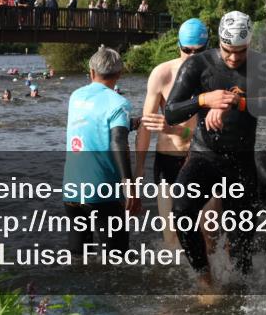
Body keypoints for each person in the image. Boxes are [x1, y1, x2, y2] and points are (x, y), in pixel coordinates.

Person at [164, 11, 266, 294]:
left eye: (241, 51)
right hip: (203, 155)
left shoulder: (265, 65)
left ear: (250, 43)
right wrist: (204, 100)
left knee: (241, 242)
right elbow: (170, 112)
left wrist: (238, 102)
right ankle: (205, 280)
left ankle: (239, 292)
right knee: (182, 211)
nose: (233, 58)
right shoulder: (199, 65)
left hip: (241, 160)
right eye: (228, 51)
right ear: (219, 43)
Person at [134, 18, 210, 249]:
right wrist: (137, 174)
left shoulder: (216, 76)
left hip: (203, 159)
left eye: (198, 51)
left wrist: (181, 131)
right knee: (172, 238)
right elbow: (146, 126)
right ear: (178, 46)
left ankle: (212, 284)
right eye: (187, 50)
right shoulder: (162, 73)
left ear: (208, 47)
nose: (192, 56)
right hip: (169, 160)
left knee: (208, 235)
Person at [63, 46, 141, 258]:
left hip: (72, 191)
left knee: (79, 258)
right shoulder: (119, 103)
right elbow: (118, 140)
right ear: (119, 74)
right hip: (102, 193)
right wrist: (129, 184)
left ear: (91, 72)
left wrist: (133, 123)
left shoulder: (75, 97)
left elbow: (95, 125)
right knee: (118, 261)